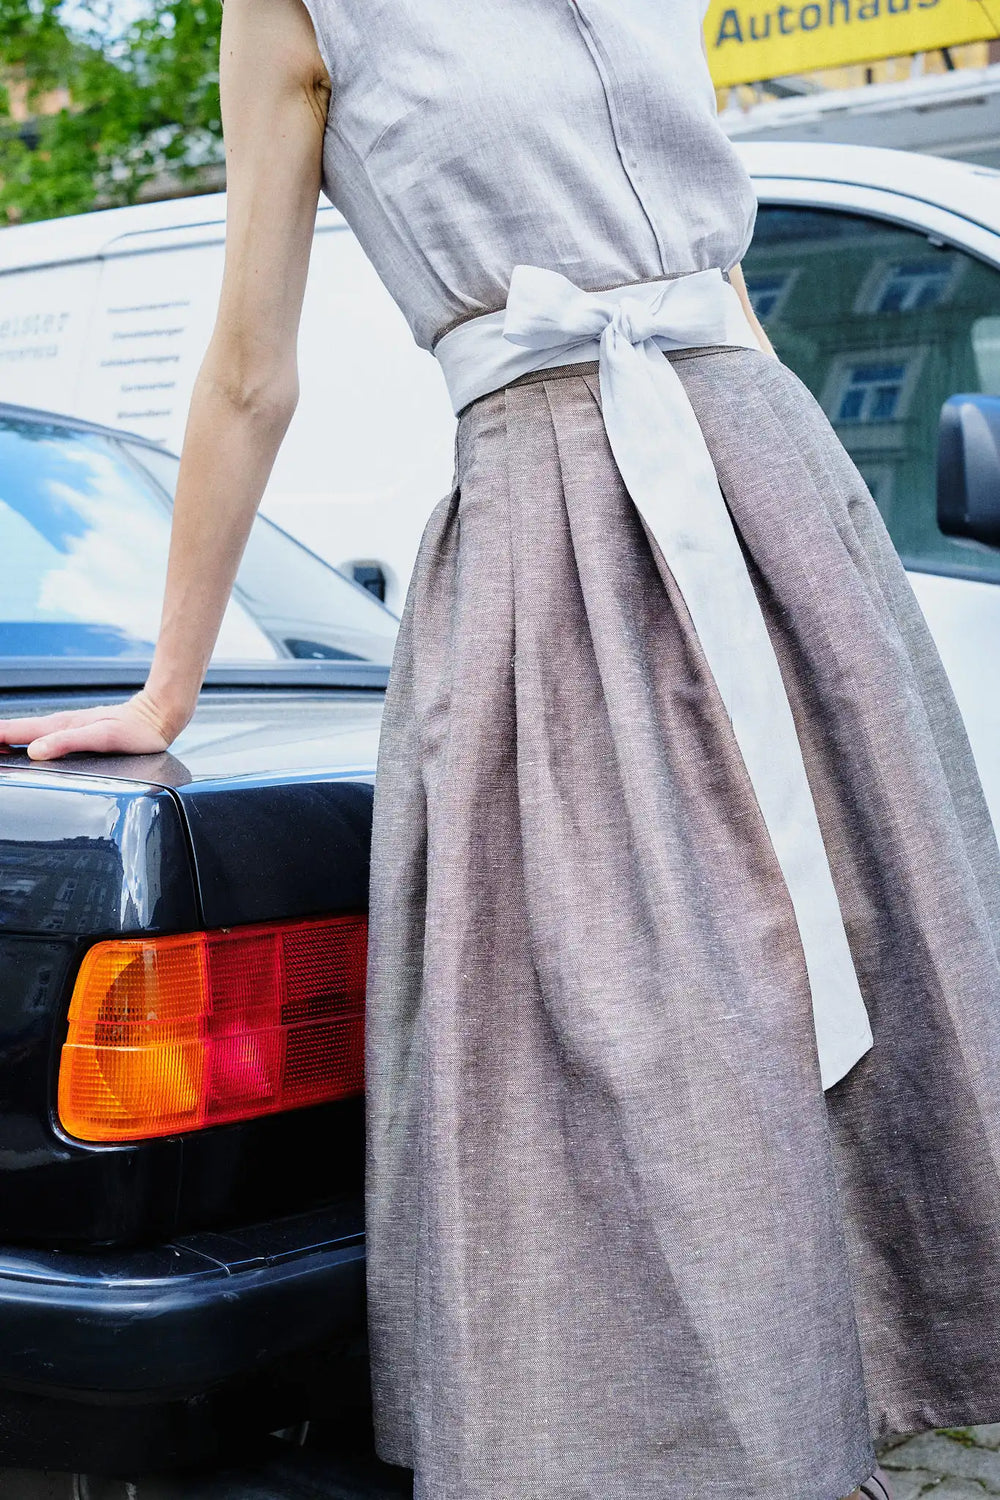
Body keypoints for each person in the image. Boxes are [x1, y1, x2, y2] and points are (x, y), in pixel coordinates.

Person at [3, 1, 1000, 1496]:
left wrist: (813, 562)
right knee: (643, 1070)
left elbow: (719, 289)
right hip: (559, 543)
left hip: (775, 508)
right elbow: (250, 369)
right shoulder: (295, 7)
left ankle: (855, 1408)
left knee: (869, 976)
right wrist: (167, 690)